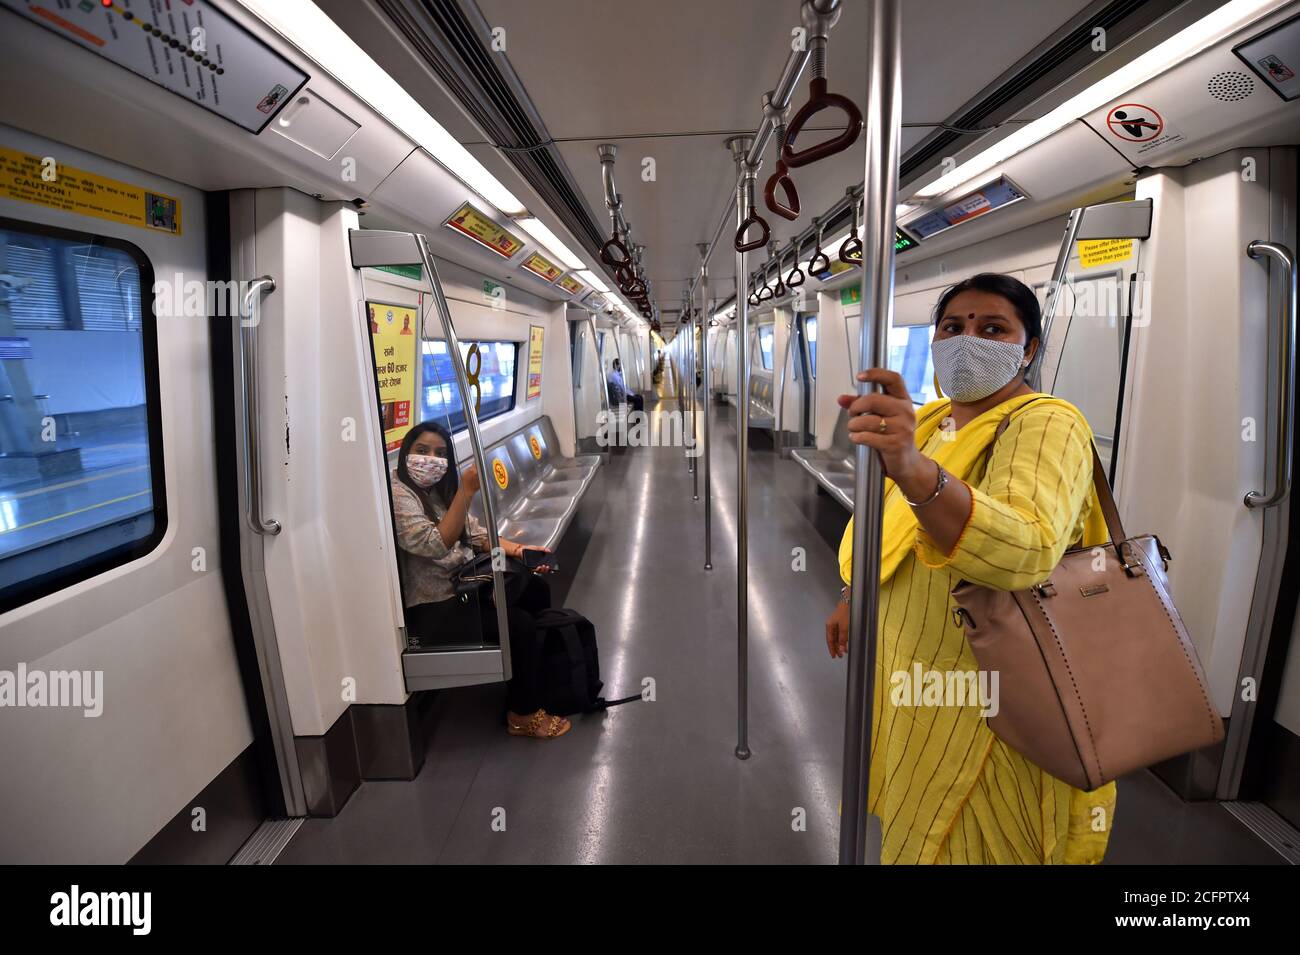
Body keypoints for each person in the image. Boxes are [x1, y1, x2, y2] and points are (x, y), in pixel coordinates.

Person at [826, 272, 1116, 864]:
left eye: (992, 328)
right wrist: (856, 592)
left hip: (993, 694)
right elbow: (893, 530)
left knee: (974, 839)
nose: (967, 340)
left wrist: (911, 468)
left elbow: (1026, 548)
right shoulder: (935, 422)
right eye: (952, 328)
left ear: (1028, 349)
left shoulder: (1048, 423)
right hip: (913, 674)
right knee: (915, 824)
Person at [391, 420, 570, 739]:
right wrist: (465, 491)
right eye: (422, 451)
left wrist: (520, 550)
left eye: (439, 453)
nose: (430, 459)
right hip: (433, 607)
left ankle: (533, 678)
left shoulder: (435, 492)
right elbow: (434, 543)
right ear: (406, 453)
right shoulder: (399, 495)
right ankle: (522, 716)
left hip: (463, 586)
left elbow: (473, 533)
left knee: (536, 590)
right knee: (518, 625)